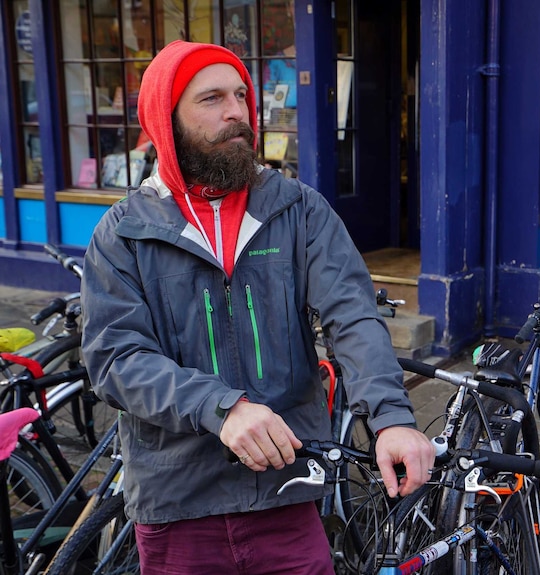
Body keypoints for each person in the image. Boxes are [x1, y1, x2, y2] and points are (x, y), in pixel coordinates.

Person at [80, 40, 435, 575]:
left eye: (242, 95)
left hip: (286, 488)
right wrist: (223, 409)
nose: (236, 112)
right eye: (212, 99)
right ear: (165, 119)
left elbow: (353, 315)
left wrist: (391, 418)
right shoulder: (123, 235)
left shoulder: (297, 208)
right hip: (179, 499)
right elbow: (115, 359)